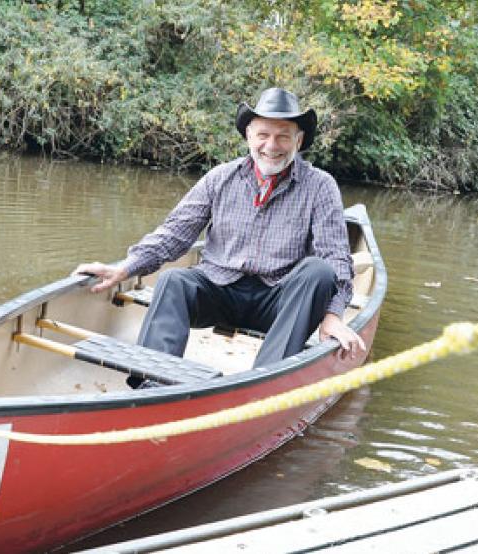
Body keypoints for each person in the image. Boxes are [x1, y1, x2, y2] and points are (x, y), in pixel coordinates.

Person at [74, 87, 365, 375]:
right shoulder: (220, 178)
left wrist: (333, 315)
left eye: (283, 136)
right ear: (249, 136)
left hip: (279, 302)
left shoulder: (320, 186)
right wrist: (124, 269)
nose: (271, 145)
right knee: (174, 280)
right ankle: (152, 380)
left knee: (318, 271)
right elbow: (174, 234)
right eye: (263, 135)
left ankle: (265, 382)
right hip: (220, 289)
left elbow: (336, 258)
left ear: (298, 141)